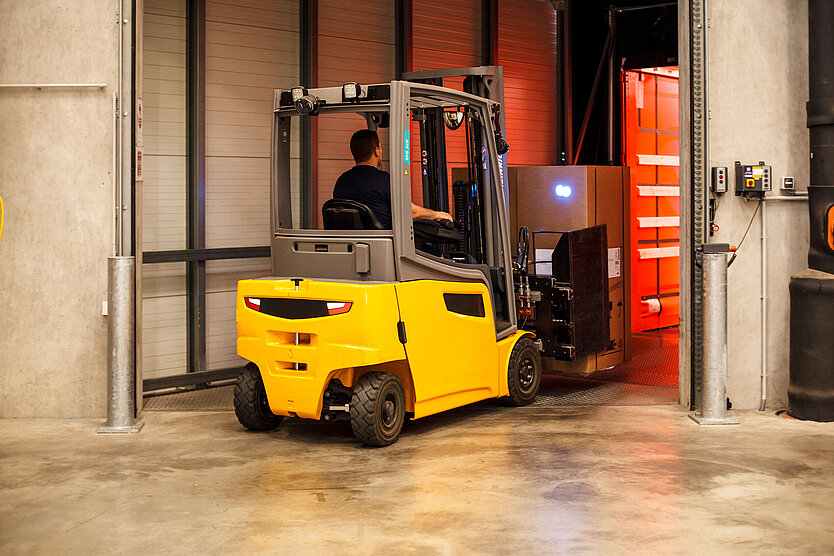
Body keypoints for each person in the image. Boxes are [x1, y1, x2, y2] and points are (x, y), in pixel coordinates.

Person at [333, 129, 453, 229]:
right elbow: (411, 212)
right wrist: (437, 214)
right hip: (386, 245)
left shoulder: (341, 182)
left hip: (352, 244)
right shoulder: (384, 180)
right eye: (380, 147)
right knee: (434, 252)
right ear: (376, 151)